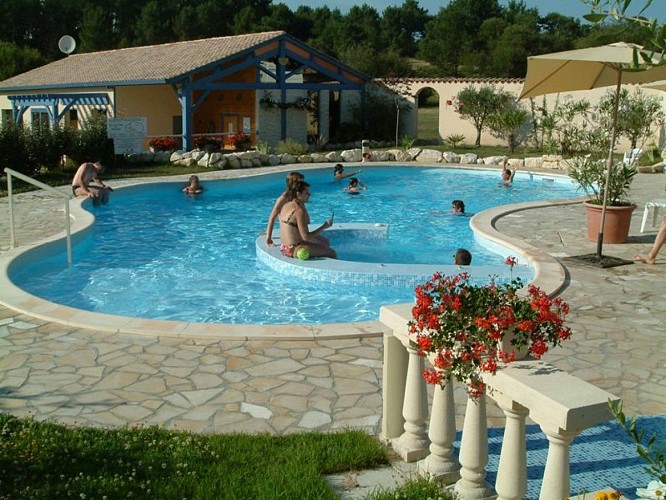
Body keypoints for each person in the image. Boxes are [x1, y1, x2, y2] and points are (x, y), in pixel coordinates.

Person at [279, 180, 337, 259]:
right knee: (332, 252)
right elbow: (306, 237)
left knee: (323, 243)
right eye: (306, 193)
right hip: (296, 249)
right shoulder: (298, 211)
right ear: (298, 194)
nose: (309, 194)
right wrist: (324, 226)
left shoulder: (286, 205)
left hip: (284, 248)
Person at [265, 171, 305, 246]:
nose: (303, 185)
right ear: (294, 184)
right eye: (301, 183)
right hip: (289, 232)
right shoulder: (283, 199)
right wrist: (268, 237)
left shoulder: (298, 197)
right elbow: (272, 218)